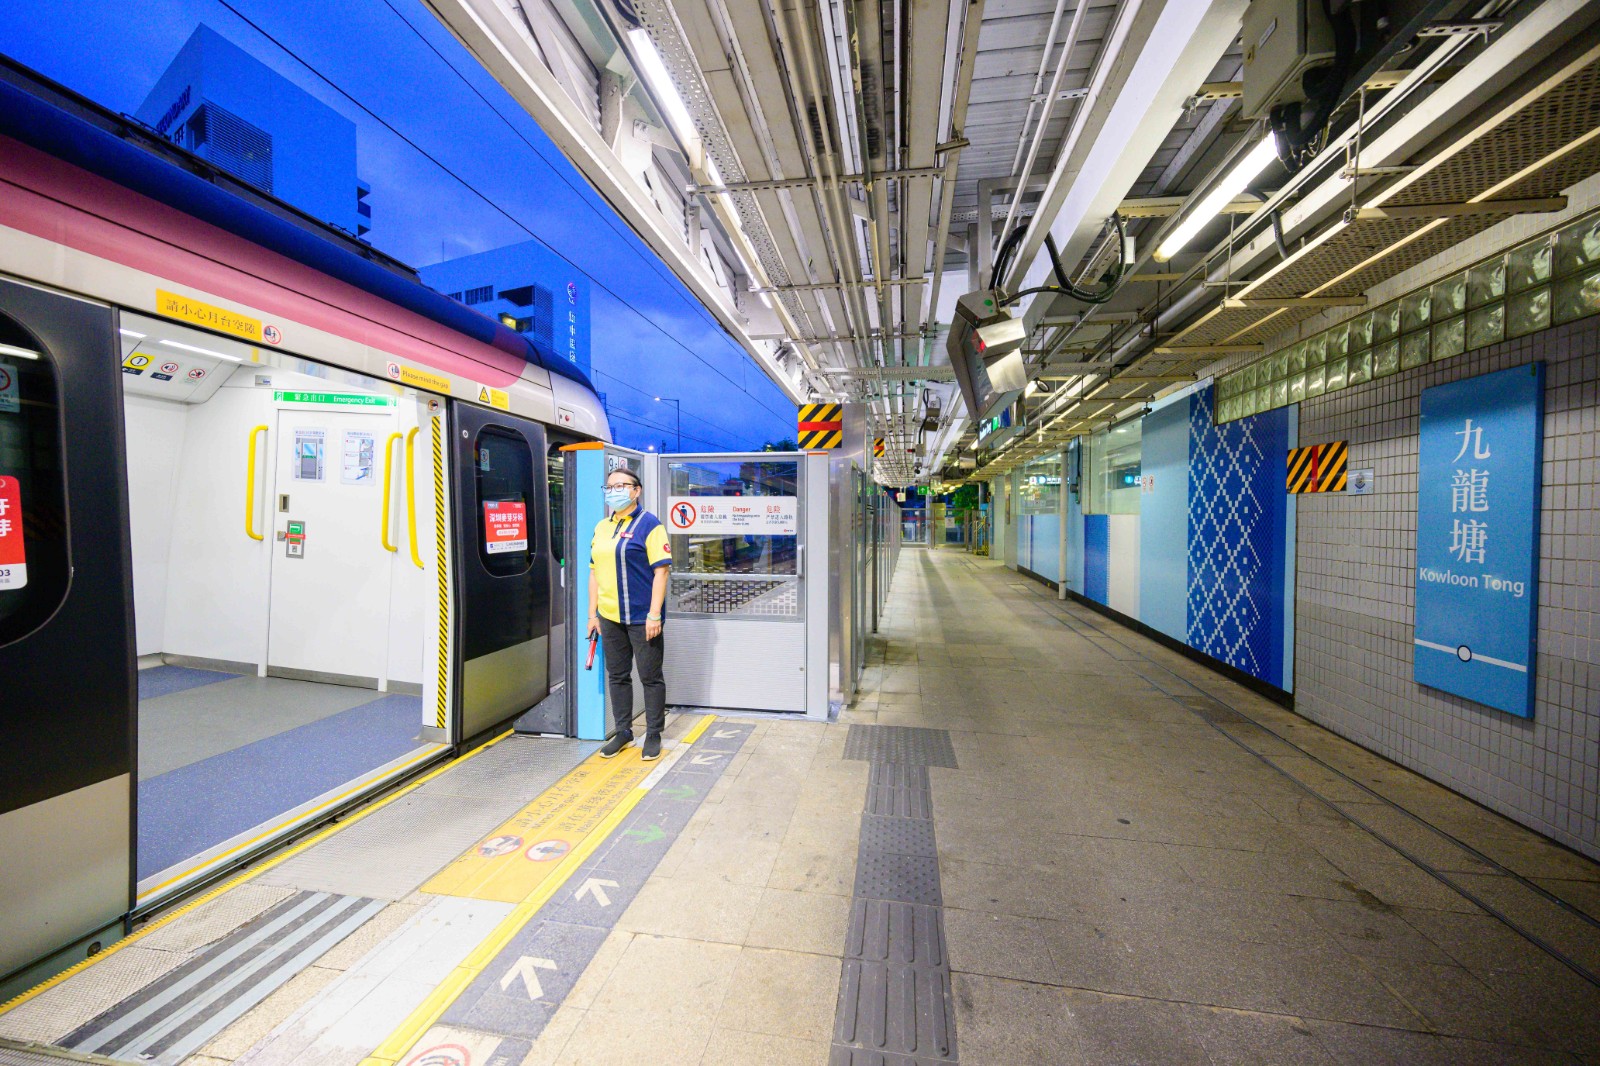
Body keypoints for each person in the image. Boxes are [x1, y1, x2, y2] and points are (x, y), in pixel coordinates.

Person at [588, 466, 671, 760]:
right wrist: (592, 614)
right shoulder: (602, 527)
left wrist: (654, 614)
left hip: (641, 617)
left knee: (650, 676)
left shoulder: (650, 525)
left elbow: (661, 571)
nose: (614, 491)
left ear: (636, 491)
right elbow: (594, 572)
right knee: (618, 675)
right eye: (609, 487)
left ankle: (654, 733)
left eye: (621, 486)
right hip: (609, 616)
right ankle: (624, 731)